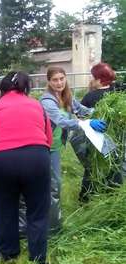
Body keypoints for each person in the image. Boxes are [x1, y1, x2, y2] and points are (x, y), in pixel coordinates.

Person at [0, 71, 53, 264]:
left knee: (5, 208)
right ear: (26, 87)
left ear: (2, 89)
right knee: (37, 210)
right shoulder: (37, 105)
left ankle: (5, 255)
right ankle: (38, 260)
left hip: (2, 160)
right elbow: (49, 138)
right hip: (36, 157)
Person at [40, 67, 106, 218]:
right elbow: (62, 121)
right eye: (55, 80)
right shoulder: (47, 100)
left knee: (52, 182)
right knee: (54, 184)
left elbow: (82, 110)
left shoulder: (66, 96)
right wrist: (87, 124)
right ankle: (53, 222)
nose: (59, 83)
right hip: (44, 146)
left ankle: (47, 215)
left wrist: (101, 111)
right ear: (49, 82)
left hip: (55, 146)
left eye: (62, 78)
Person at [79, 62, 122, 201]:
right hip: (117, 137)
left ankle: (85, 198)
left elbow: (80, 116)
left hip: (95, 139)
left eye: (93, 77)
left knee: (92, 167)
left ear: (98, 79)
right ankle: (113, 195)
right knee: (115, 165)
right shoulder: (118, 92)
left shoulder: (90, 97)